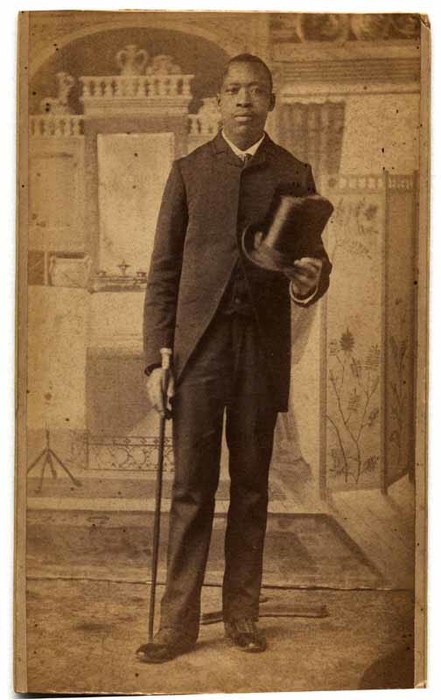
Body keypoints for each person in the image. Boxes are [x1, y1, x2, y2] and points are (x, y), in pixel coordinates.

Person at [138, 54, 332, 663]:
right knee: (191, 490)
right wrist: (156, 361)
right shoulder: (190, 171)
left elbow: (315, 261)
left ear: (272, 101)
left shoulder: (293, 171)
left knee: (251, 488)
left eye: (256, 91)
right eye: (232, 90)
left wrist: (309, 279)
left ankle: (243, 615)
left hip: (259, 352)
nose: (244, 100)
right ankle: (176, 627)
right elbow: (163, 272)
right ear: (218, 102)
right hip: (197, 353)